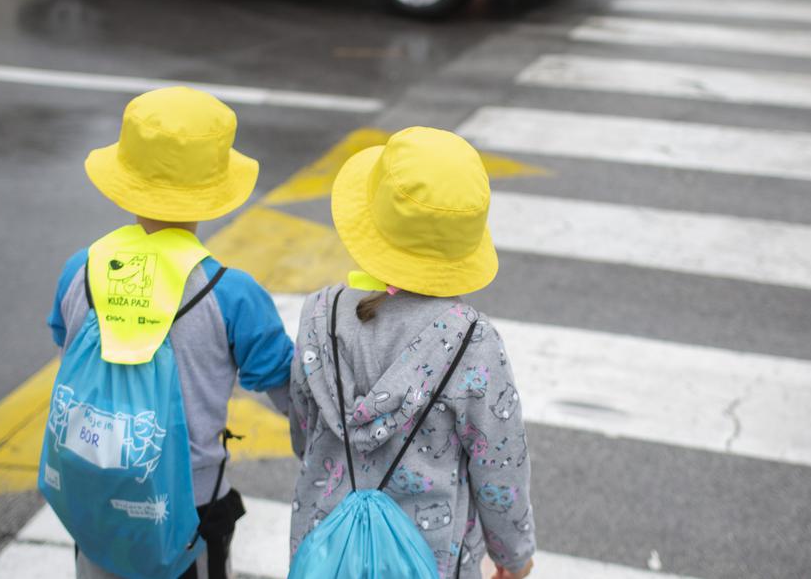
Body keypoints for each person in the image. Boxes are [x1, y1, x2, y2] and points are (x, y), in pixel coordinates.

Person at [44, 87, 296, 578]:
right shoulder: (232, 294)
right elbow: (289, 392)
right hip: (188, 504)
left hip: (91, 486)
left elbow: (65, 343)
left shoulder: (82, 269)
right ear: (214, 190)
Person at [287, 126, 536, 579]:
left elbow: (303, 432)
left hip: (326, 553)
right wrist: (513, 557)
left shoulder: (320, 315)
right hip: (432, 561)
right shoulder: (473, 345)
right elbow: (499, 468)